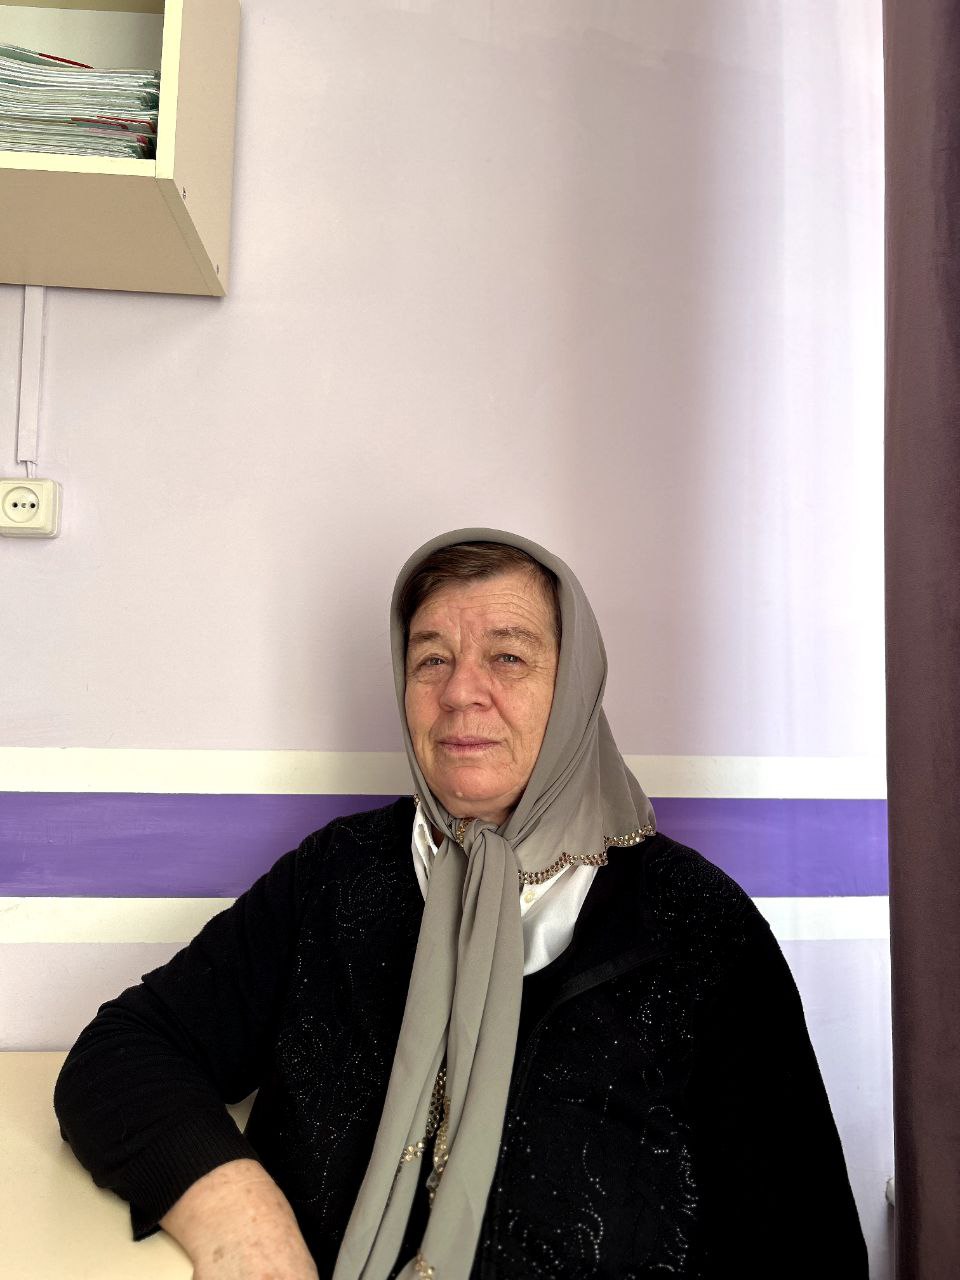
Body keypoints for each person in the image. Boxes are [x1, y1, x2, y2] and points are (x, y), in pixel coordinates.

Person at [54, 529, 869, 1279]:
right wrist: (244, 1222)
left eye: (508, 657)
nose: (459, 693)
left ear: (574, 687)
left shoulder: (697, 926)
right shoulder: (338, 875)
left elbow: (806, 1244)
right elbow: (124, 1053)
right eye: (430, 659)